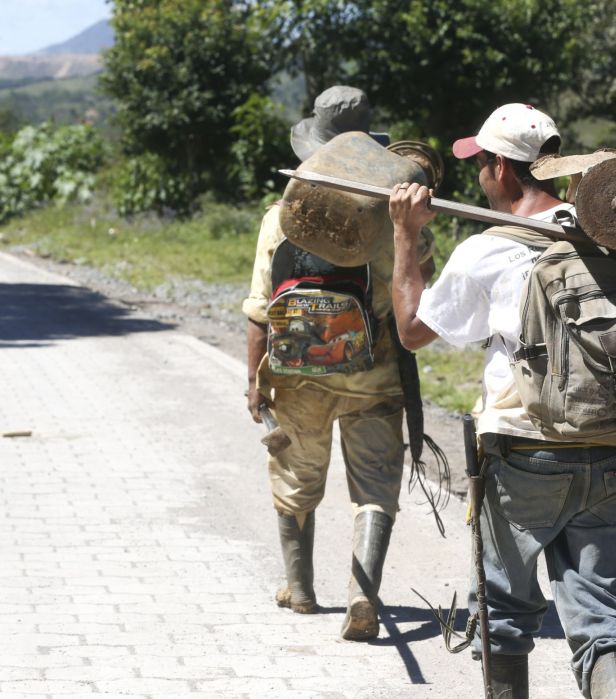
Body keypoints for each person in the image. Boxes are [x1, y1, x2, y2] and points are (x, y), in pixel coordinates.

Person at [389, 103, 616, 699]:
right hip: (614, 448)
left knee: (505, 614)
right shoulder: (613, 239)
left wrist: (406, 236)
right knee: (603, 614)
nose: (478, 176)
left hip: (523, 453)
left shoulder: (488, 250)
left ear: (501, 171)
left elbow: (411, 330)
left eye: (481, 163)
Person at [243, 85, 434, 641]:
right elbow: (416, 292)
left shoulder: (280, 219)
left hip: (296, 373)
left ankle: (299, 589)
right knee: (374, 486)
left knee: (295, 475)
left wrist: (254, 382)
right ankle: (362, 596)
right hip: (373, 374)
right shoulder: (394, 221)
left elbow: (260, 313)